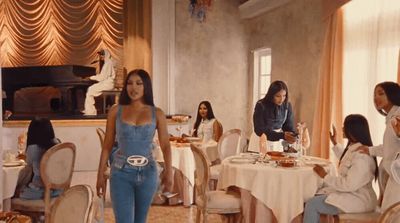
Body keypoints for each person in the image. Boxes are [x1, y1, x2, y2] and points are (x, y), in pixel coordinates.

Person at [96, 69, 173, 223]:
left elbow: (165, 145)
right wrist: (100, 175)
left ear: (146, 87)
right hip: (121, 172)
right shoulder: (115, 111)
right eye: (130, 83)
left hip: (148, 172)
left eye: (139, 83)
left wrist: (169, 172)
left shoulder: (157, 113)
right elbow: (107, 145)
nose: (134, 88)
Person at [303, 114, 378, 222]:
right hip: (352, 194)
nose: (342, 128)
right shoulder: (355, 148)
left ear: (352, 130)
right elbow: (347, 160)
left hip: (358, 200)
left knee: (312, 204)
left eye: (345, 126)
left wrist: (325, 176)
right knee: (314, 194)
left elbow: (348, 184)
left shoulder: (362, 157)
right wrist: (334, 142)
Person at [357, 81, 400, 211]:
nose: (376, 98)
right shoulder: (391, 118)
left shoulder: (397, 117)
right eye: (374, 95)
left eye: (381, 93)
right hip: (393, 176)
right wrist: (369, 150)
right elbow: (389, 147)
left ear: (393, 94)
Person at [16, 117, 61, 199]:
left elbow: (28, 164)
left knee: (15, 192)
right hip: (59, 190)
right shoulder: (57, 143)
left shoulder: (33, 147)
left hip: (42, 191)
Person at [253, 80, 297, 151]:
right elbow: (259, 129)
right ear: (271, 95)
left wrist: (293, 135)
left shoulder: (287, 106)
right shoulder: (261, 105)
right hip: (260, 140)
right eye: (278, 96)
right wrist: (282, 135)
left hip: (277, 143)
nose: (281, 99)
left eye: (284, 96)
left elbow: (288, 127)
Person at [82, 49, 116, 116]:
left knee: (90, 90)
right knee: (90, 89)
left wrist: (90, 77)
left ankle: (90, 112)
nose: (101, 57)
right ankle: (89, 110)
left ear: (106, 55)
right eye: (100, 56)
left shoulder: (108, 63)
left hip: (107, 84)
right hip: (107, 83)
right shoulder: (109, 62)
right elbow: (102, 77)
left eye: (102, 55)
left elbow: (102, 77)